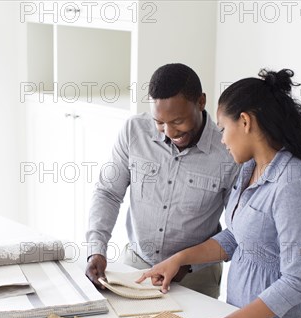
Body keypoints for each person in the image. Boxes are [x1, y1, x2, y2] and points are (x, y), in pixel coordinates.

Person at [137, 68, 301, 318]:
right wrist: (180, 259)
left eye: (224, 129)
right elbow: (236, 237)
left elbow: (298, 280)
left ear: (245, 122)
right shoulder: (249, 168)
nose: (221, 140)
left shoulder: (293, 184)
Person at [85, 63, 240, 298]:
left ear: (201, 102)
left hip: (194, 279)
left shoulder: (228, 150)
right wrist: (96, 250)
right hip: (135, 269)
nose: (168, 131)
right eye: (160, 122)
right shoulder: (134, 131)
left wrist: (187, 264)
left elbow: (238, 229)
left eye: (178, 121)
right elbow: (108, 192)